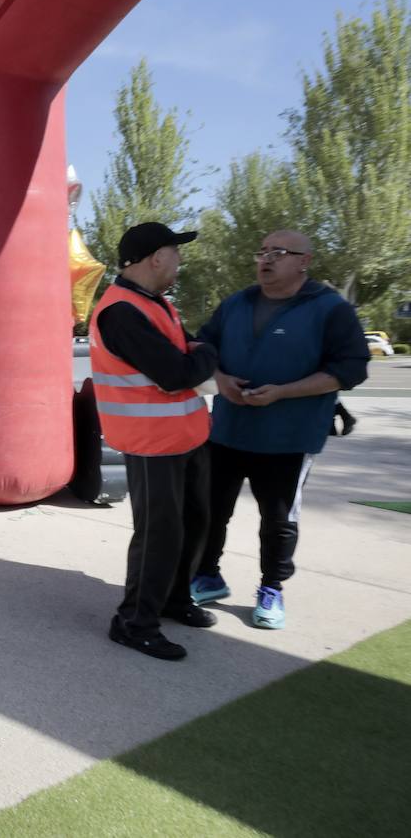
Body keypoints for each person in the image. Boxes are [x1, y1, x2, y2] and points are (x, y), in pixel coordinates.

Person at [190, 230, 369, 629]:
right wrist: (219, 378)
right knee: (210, 510)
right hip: (227, 431)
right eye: (262, 252)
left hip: (288, 437)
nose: (265, 260)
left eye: (278, 253)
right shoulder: (236, 303)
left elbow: (351, 369)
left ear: (304, 260)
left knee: (278, 520)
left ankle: (271, 588)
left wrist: (285, 392)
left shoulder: (330, 309)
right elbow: (202, 347)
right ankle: (206, 574)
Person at [89, 222, 218, 661]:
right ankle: (134, 622)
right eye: (175, 252)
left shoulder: (155, 303)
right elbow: (177, 373)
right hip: (151, 443)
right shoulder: (120, 311)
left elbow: (183, 362)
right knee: (159, 535)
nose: (180, 261)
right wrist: (207, 352)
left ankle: (174, 600)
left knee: (194, 523)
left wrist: (195, 354)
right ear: (155, 258)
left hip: (186, 437)